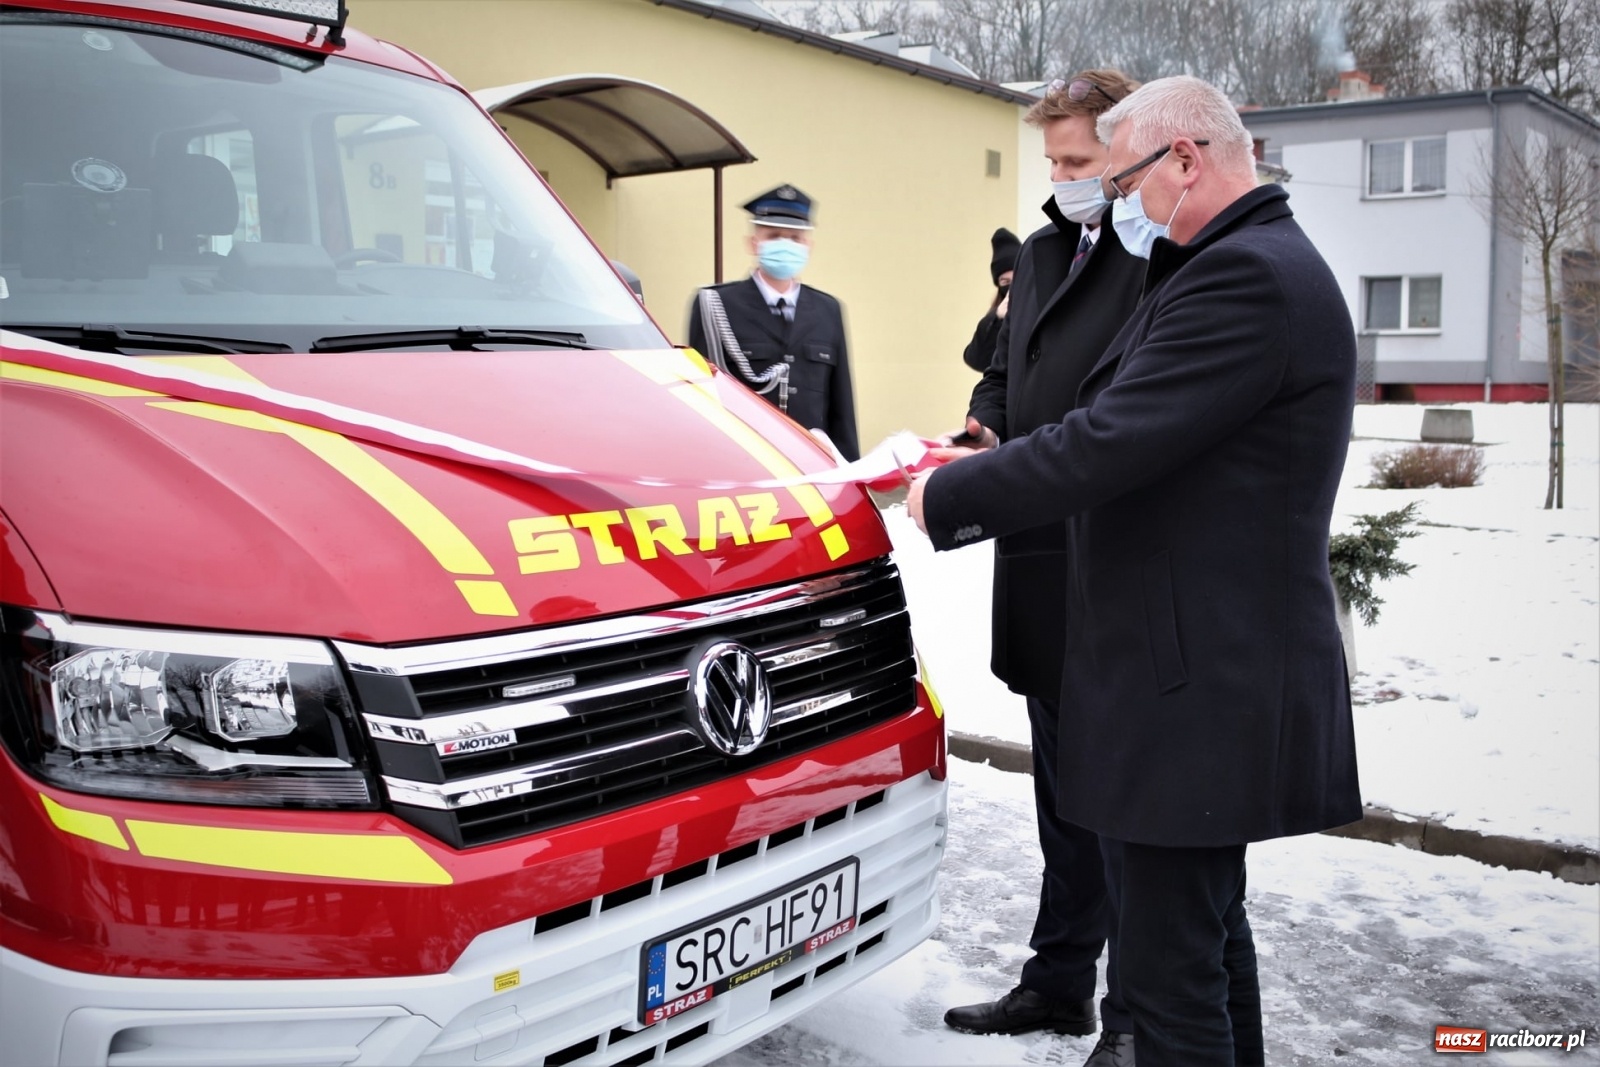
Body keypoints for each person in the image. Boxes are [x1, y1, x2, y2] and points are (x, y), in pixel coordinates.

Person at [909, 75, 1361, 1067]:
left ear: (1186, 159)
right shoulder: (1236, 263)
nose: (1120, 205)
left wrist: (948, 495)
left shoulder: (1243, 276)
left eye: (1122, 183)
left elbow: (1106, 442)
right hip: (1190, 672)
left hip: (1195, 680)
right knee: (1200, 946)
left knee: (1164, 992)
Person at [936, 69, 1146, 1067]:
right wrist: (982, 432)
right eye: (1052, 161)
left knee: (1125, 811)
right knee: (1061, 798)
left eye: (1078, 162)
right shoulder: (1042, 250)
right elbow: (1009, 377)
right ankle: (1059, 981)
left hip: (1123, 571)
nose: (1061, 179)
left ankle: (1136, 1015)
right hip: (1038, 562)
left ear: (1129, 155)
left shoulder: (1162, 257)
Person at [686, 184, 859, 461]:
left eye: (795, 238)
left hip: (813, 463)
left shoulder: (828, 310)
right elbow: (703, 394)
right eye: (774, 235)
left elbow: (841, 407)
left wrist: (849, 469)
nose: (785, 245)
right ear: (754, 243)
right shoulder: (716, 304)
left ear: (808, 246)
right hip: (743, 460)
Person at [961, 227, 1020, 372]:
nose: (1011, 288)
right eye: (1005, 283)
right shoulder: (995, 320)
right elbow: (976, 359)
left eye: (1016, 279)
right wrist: (996, 318)